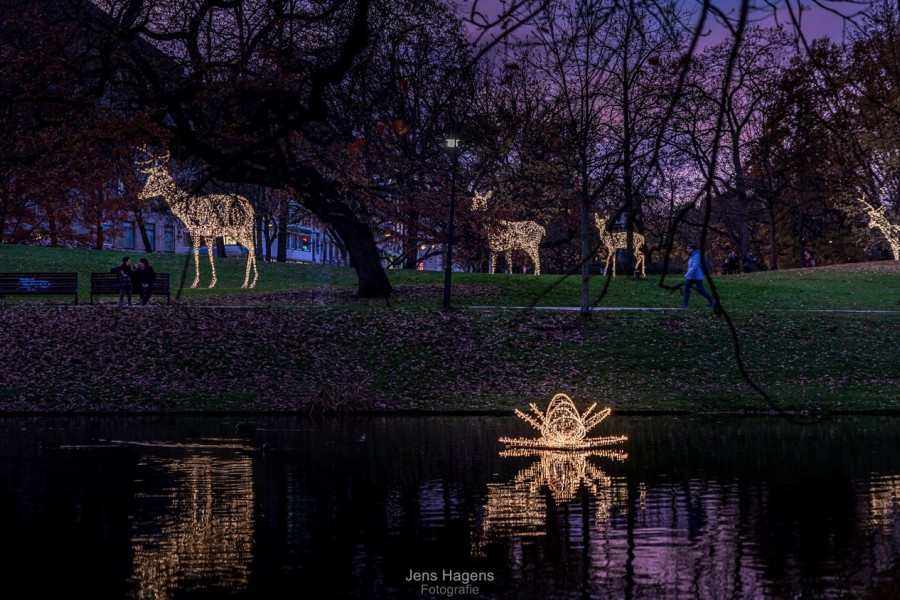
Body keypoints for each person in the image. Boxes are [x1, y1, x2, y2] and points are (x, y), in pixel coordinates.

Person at [680, 243, 715, 309]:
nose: (688, 250)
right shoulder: (692, 256)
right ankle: (685, 304)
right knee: (686, 289)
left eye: (689, 248)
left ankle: (712, 301)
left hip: (697, 276)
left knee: (701, 290)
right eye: (687, 248)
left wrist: (687, 274)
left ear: (693, 249)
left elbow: (695, 266)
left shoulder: (696, 255)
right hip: (691, 277)